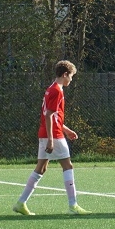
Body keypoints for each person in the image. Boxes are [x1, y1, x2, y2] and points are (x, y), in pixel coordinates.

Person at [13, 60, 89, 216]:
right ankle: (73, 205)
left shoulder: (51, 89)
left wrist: (66, 130)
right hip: (52, 134)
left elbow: (53, 116)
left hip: (48, 132)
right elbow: (48, 116)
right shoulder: (57, 91)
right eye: (71, 76)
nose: (71, 80)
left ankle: (21, 203)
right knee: (68, 166)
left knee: (41, 168)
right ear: (65, 74)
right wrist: (51, 139)